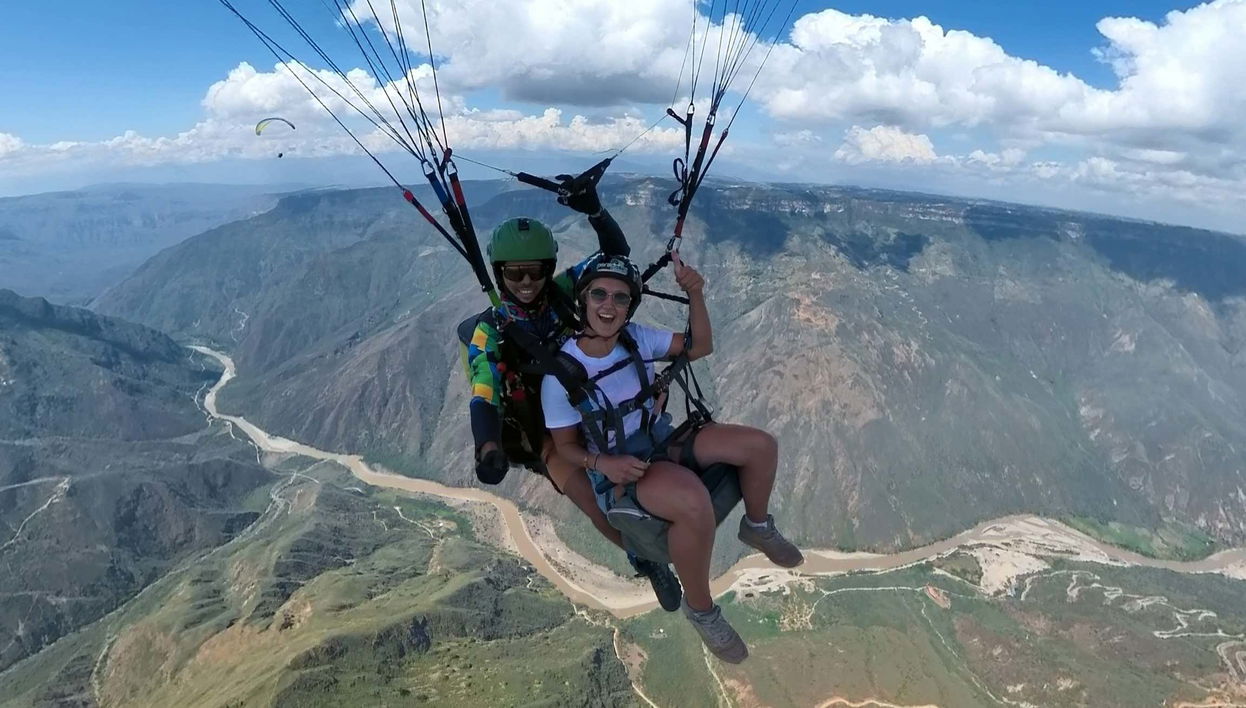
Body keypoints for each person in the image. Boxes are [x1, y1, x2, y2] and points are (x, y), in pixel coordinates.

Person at [540, 252, 803, 664]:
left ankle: (757, 526)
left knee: (760, 447)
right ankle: (701, 610)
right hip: (621, 467)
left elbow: (700, 346)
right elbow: (564, 447)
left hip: (660, 438)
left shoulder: (637, 340)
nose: (609, 306)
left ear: (630, 306)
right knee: (692, 501)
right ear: (584, 300)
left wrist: (695, 292)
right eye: (599, 295)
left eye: (621, 299)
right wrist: (602, 464)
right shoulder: (563, 374)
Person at [463, 187, 683, 611]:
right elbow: (484, 390)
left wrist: (596, 210)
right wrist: (486, 445)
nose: (527, 283)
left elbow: (615, 259)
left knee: (661, 462)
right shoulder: (490, 331)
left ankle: (684, 528)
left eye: (537, 271)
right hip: (546, 432)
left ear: (549, 269)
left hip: (602, 406)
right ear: (499, 272)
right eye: (515, 274)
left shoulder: (565, 291)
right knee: (593, 504)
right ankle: (644, 557)